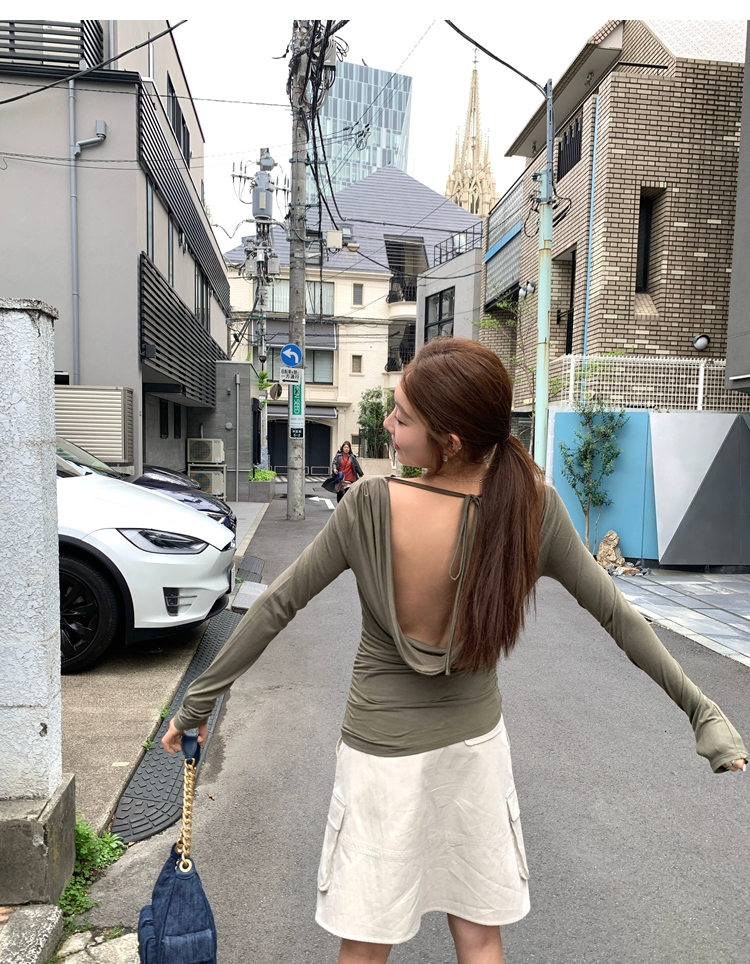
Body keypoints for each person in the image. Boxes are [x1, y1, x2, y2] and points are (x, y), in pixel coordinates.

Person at [163, 338, 747, 964]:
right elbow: (618, 616)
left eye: (403, 417)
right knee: (479, 936)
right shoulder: (533, 508)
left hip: (379, 756)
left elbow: (277, 605)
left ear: (451, 440)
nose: (389, 425)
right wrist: (703, 712)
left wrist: (195, 705)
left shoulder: (370, 505)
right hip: (475, 754)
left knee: (365, 941)